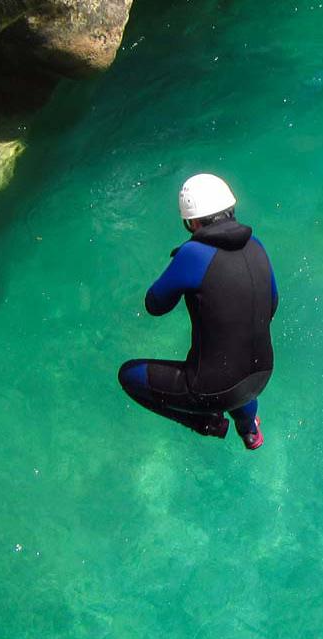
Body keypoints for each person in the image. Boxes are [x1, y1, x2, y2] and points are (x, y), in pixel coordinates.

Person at [118, 174, 277, 450]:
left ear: (191, 222)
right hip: (262, 375)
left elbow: (155, 305)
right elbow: (272, 304)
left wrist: (181, 265)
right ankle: (250, 430)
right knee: (235, 364)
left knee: (128, 375)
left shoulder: (193, 254)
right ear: (230, 208)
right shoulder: (257, 245)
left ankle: (210, 424)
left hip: (211, 391)